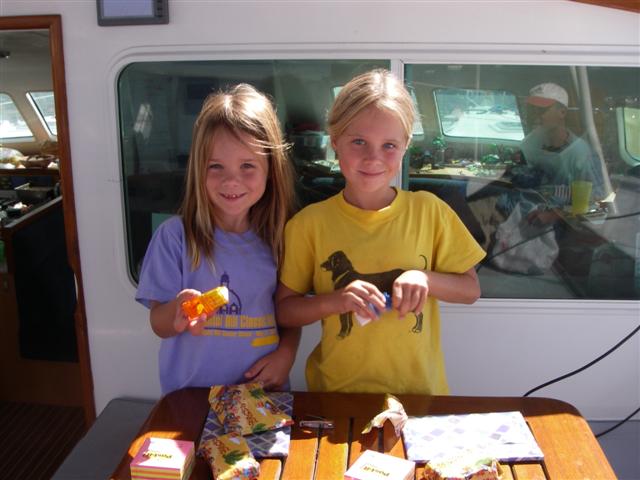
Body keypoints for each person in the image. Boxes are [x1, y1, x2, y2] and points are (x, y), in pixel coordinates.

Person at [275, 69, 486, 395]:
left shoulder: (430, 211)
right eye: (359, 142)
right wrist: (335, 301)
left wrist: (424, 278)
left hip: (418, 395)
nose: (373, 158)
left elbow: (470, 290)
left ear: (405, 146)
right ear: (335, 141)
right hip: (335, 395)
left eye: (389, 145)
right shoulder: (308, 224)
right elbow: (285, 310)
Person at [136, 84, 300, 395]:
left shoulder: (281, 238)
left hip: (262, 395)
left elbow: (289, 312)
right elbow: (158, 322)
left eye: (247, 166)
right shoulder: (174, 237)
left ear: (271, 170)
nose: (231, 180)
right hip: (191, 397)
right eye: (216, 166)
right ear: (198, 170)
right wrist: (178, 312)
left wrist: (287, 354)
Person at [520, 82, 604, 220]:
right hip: (525, 217)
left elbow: (596, 204)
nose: (535, 115)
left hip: (563, 226)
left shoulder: (581, 153)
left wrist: (554, 216)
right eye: (531, 109)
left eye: (541, 110)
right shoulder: (527, 145)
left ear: (562, 112)